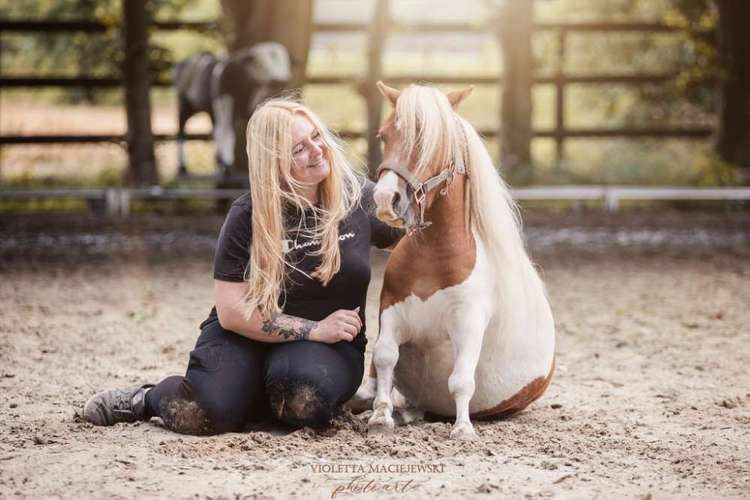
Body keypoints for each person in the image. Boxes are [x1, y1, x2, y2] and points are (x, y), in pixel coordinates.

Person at [83, 98, 402, 435]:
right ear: (273, 162)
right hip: (245, 333)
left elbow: (419, 248)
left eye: (316, 137)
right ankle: (145, 399)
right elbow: (232, 312)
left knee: (302, 399)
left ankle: (248, 392)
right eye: (298, 149)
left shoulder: (360, 197)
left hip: (330, 344)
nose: (317, 150)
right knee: (201, 412)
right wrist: (313, 328)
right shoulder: (248, 213)